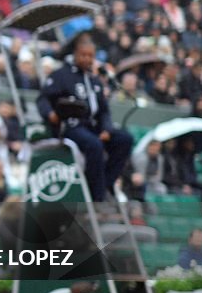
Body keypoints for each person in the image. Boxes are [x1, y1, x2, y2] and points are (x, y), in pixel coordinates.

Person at [37, 34, 133, 201]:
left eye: (91, 56)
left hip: (93, 127)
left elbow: (104, 110)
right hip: (71, 126)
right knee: (94, 145)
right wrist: (50, 114)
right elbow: (43, 98)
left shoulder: (94, 80)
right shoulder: (61, 75)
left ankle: (105, 183)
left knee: (125, 139)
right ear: (75, 54)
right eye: (84, 55)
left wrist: (106, 129)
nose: (87, 59)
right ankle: (96, 196)